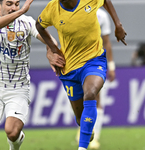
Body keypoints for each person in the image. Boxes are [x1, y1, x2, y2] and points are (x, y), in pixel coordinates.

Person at [36, 0, 127, 150]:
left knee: (91, 93)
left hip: (94, 60)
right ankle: (86, 128)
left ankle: (82, 147)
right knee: (80, 118)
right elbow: (39, 25)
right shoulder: (53, 8)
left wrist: (118, 24)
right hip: (70, 68)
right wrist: (53, 48)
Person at [0, 0, 59, 150]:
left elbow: (51, 40)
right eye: (9, 4)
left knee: (12, 132)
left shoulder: (27, 23)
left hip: (18, 87)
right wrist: (20, 12)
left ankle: (15, 144)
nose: (13, 7)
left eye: (16, 4)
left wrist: (50, 49)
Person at [75, 7, 116, 150]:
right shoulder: (72, 10)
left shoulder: (102, 15)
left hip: (94, 62)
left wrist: (111, 66)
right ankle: (85, 128)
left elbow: (107, 42)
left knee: (94, 96)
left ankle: (94, 138)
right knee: (78, 100)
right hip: (75, 62)